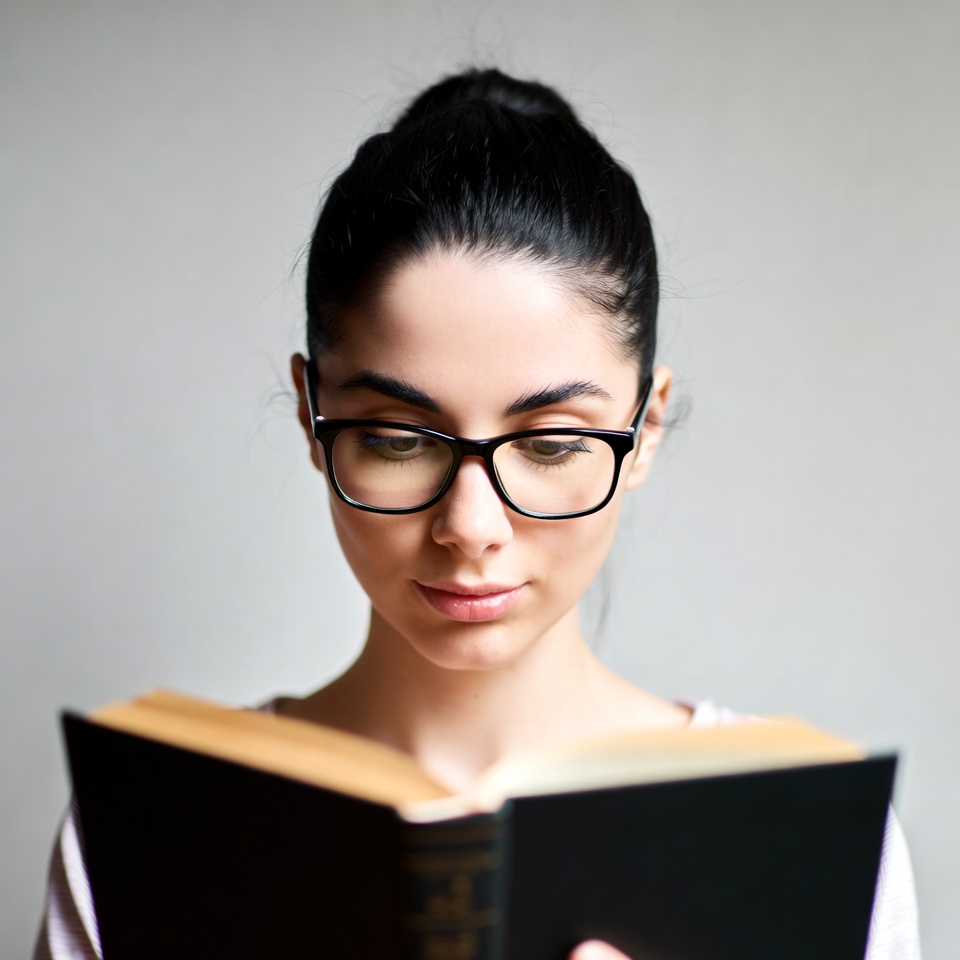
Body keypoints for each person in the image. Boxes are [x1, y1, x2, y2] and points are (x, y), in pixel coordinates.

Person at [33, 68, 921, 960]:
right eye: (396, 437)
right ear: (313, 417)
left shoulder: (819, 841)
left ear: (643, 428)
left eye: (550, 444)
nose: (471, 526)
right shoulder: (144, 828)